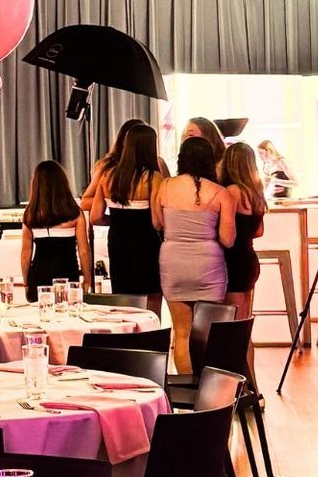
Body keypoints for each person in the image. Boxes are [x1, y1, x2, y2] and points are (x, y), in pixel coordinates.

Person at [153, 136, 235, 372]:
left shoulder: (165, 186)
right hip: (208, 265)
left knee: (181, 332)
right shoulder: (220, 193)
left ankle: (188, 393)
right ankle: (209, 391)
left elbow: (157, 224)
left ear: (182, 160)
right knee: (209, 334)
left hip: (174, 261)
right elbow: (228, 240)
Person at [96, 122, 166, 314]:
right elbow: (157, 221)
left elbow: (95, 216)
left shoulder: (108, 175)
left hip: (118, 241)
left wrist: (120, 220)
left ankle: (127, 339)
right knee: (152, 297)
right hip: (146, 243)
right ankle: (153, 338)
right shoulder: (153, 177)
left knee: (123, 296)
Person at [17, 161, 92, 294]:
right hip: (68, 276)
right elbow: (84, 250)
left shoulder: (30, 214)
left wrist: (26, 282)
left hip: (39, 278)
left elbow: (25, 254)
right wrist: (87, 280)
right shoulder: (75, 213)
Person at [220, 142, 268, 329]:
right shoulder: (256, 192)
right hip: (249, 258)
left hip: (233, 261)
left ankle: (236, 359)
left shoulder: (231, 192)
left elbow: (227, 234)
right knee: (244, 322)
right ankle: (248, 359)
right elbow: (259, 231)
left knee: (233, 327)